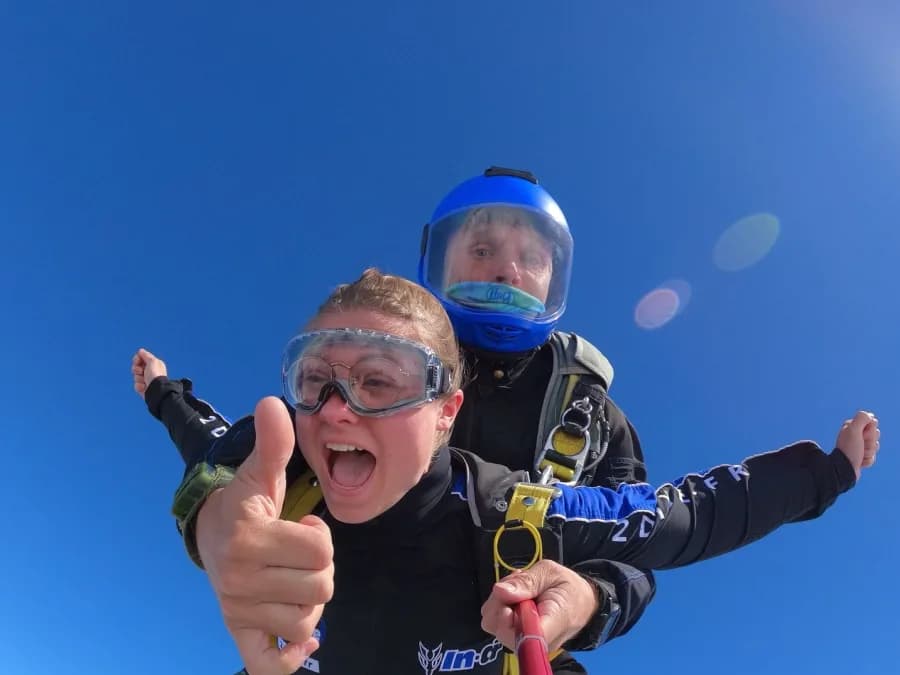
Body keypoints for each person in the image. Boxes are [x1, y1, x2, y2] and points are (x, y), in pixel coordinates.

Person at [164, 268, 877, 675]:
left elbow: (684, 513)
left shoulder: (516, 510)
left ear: (448, 411)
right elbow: (211, 443)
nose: (337, 409)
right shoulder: (284, 471)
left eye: (381, 380)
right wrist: (214, 521)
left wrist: (829, 473)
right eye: (315, 378)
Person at [136, 167, 658, 674]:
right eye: (482, 250)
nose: (506, 271)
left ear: (554, 279)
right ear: (439, 263)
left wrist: (588, 601)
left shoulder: (586, 417)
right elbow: (234, 451)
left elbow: (637, 548)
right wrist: (216, 522)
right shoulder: (359, 373)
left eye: (531, 259)